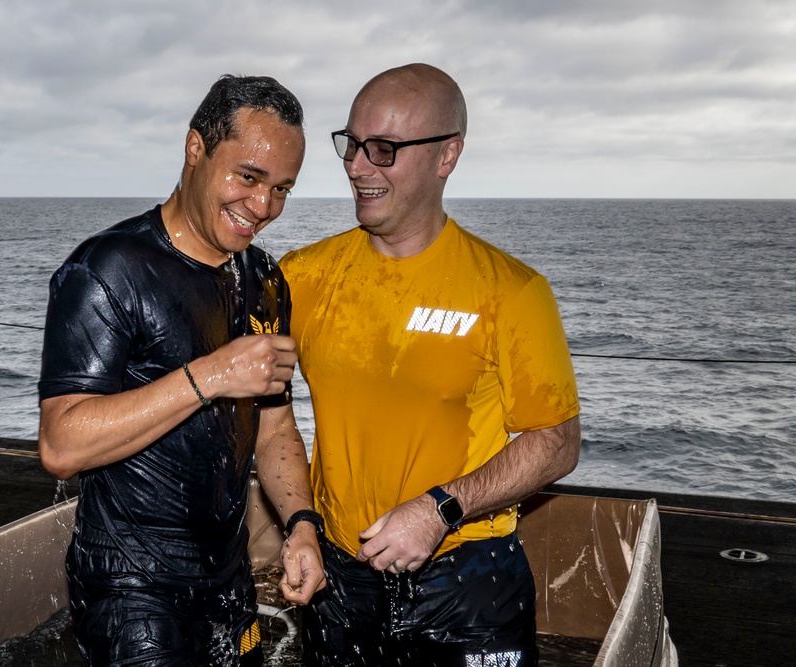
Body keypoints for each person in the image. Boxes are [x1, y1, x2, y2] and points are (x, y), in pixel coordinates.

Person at [280, 63, 581, 666]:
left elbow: (557, 441)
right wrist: (301, 524)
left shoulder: (512, 291)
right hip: (341, 578)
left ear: (447, 156)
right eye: (353, 144)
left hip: (469, 582)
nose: (358, 167)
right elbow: (267, 414)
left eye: (384, 150)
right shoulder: (302, 277)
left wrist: (440, 508)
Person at [37, 74, 325, 667]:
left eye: (282, 189)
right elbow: (61, 444)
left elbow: (273, 430)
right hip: (131, 589)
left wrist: (301, 524)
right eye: (248, 177)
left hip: (228, 579)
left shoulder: (266, 282)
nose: (264, 207)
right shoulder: (106, 269)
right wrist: (212, 375)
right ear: (195, 147)